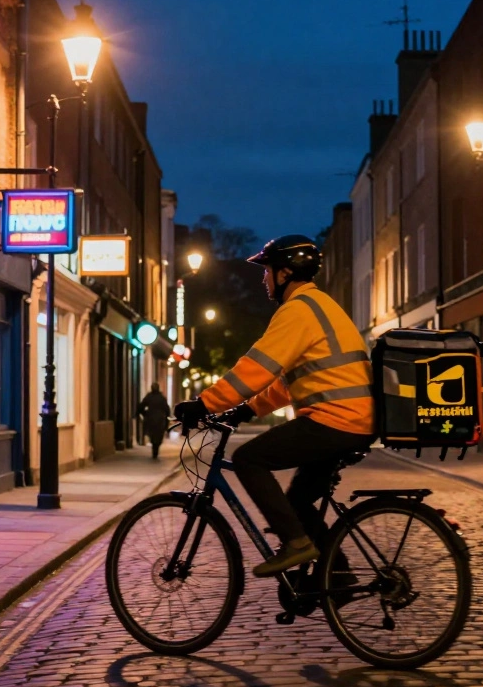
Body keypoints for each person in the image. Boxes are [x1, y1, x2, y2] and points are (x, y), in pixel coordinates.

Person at [174, 235, 374, 578]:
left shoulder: (298, 311)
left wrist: (204, 404)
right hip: (351, 421)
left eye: (266, 271)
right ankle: (336, 576)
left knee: (248, 459)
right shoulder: (319, 305)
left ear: (284, 273)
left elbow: (256, 368)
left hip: (335, 420)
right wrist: (247, 410)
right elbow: (288, 381)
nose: (263, 278)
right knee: (297, 502)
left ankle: (297, 544)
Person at [137, 383, 171, 459]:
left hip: (151, 419)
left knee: (152, 435)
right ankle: (155, 449)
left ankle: (154, 449)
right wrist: (166, 419)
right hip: (160, 420)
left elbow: (141, 406)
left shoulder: (149, 397)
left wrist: (145, 414)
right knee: (158, 436)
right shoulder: (161, 398)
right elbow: (167, 410)